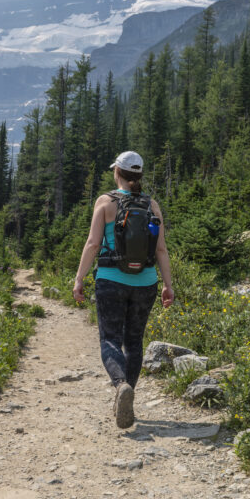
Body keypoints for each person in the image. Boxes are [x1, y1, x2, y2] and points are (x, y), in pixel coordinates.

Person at [73, 150, 174, 429]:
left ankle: (120, 387)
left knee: (109, 340)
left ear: (117, 172)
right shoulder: (152, 205)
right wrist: (168, 285)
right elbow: (162, 249)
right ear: (138, 175)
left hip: (110, 279)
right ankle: (128, 392)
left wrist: (79, 278)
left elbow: (93, 244)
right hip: (146, 281)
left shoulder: (105, 202)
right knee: (134, 341)